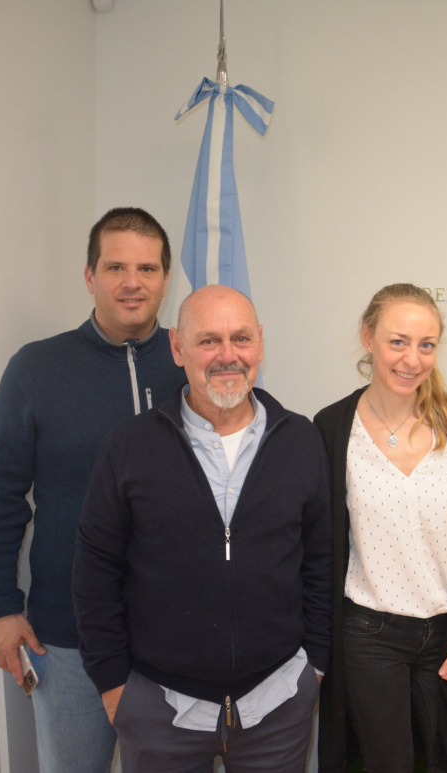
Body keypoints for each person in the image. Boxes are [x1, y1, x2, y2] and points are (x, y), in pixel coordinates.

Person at [73, 284, 332, 773]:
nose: (228, 355)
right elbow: (95, 570)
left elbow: (319, 561)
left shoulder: (301, 439)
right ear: (177, 347)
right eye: (209, 340)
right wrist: (113, 684)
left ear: (260, 344)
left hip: (276, 704)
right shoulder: (129, 445)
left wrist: (313, 666)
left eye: (241, 338)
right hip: (159, 708)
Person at [0, 207, 186, 772]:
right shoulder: (36, 369)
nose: (132, 282)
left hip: (177, 636)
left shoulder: (195, 365)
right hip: (66, 640)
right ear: (89, 275)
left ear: (166, 278)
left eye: (147, 268)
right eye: (116, 266)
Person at [314, 283, 447, 773]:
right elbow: (319, 548)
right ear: (368, 338)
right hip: (369, 634)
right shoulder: (330, 429)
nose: (412, 359)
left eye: (426, 345)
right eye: (398, 342)